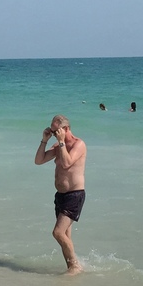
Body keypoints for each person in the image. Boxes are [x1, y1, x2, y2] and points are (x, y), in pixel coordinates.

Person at [35, 116, 89, 274]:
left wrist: (61, 142)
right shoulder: (59, 145)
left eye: (55, 130)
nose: (53, 133)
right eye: (51, 131)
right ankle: (71, 267)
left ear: (65, 129)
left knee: (57, 232)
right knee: (65, 235)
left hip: (75, 195)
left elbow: (67, 163)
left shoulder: (79, 144)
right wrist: (44, 140)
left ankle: (75, 266)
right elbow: (39, 161)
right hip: (61, 196)